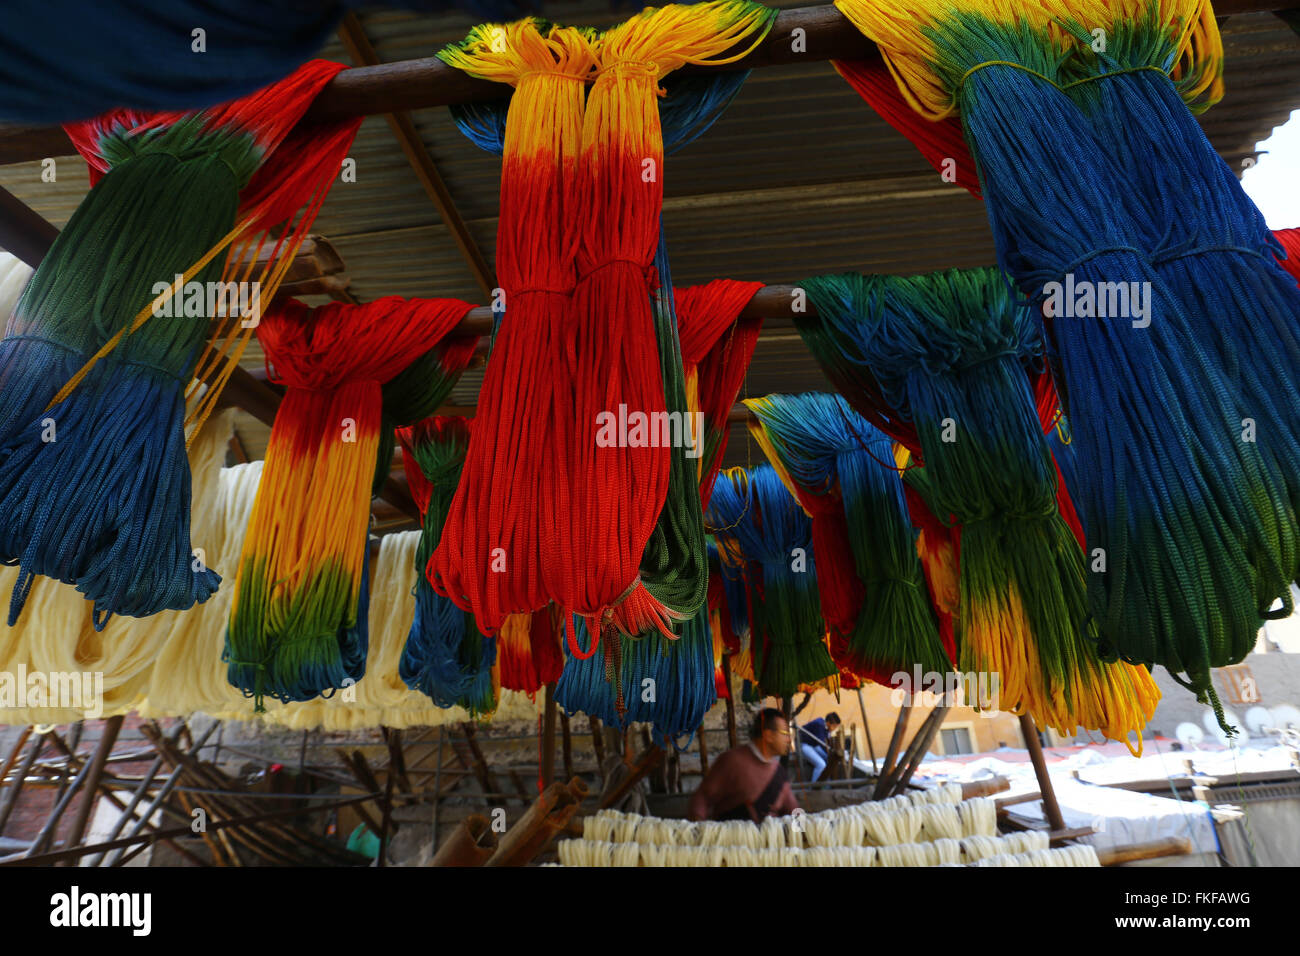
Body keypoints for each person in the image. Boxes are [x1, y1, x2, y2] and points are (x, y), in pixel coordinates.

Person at [687, 708, 799, 822]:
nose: (789, 740)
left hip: (769, 838)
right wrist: (699, 829)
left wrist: (805, 832)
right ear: (768, 735)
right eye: (785, 733)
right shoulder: (731, 761)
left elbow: (793, 810)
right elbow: (702, 798)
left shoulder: (779, 772)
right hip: (732, 838)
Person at [798, 712, 840, 782]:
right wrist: (831, 752)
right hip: (804, 745)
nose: (834, 729)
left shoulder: (826, 728)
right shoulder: (819, 724)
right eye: (834, 726)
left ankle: (826, 785)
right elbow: (821, 743)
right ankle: (814, 788)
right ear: (829, 722)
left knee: (828, 760)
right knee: (821, 764)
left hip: (813, 746)